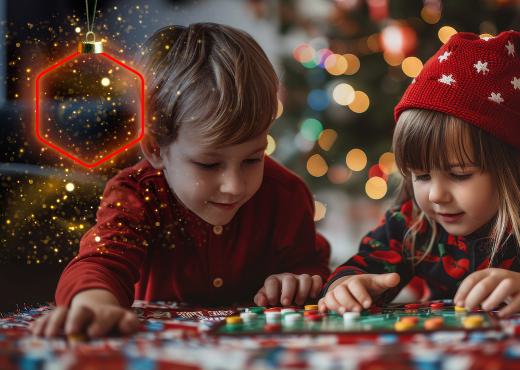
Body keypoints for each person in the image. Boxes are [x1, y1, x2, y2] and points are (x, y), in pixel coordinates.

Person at [32, 23, 330, 338]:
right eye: (208, 163)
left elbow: (310, 264)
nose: (235, 185)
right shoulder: (135, 193)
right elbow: (103, 262)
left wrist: (299, 280)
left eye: (252, 159)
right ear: (155, 149)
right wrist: (95, 303)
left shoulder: (286, 194)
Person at [319, 30, 520, 317]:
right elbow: (365, 265)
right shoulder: (411, 223)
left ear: (511, 168)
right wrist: (347, 285)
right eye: (421, 176)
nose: (436, 195)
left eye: (460, 174)